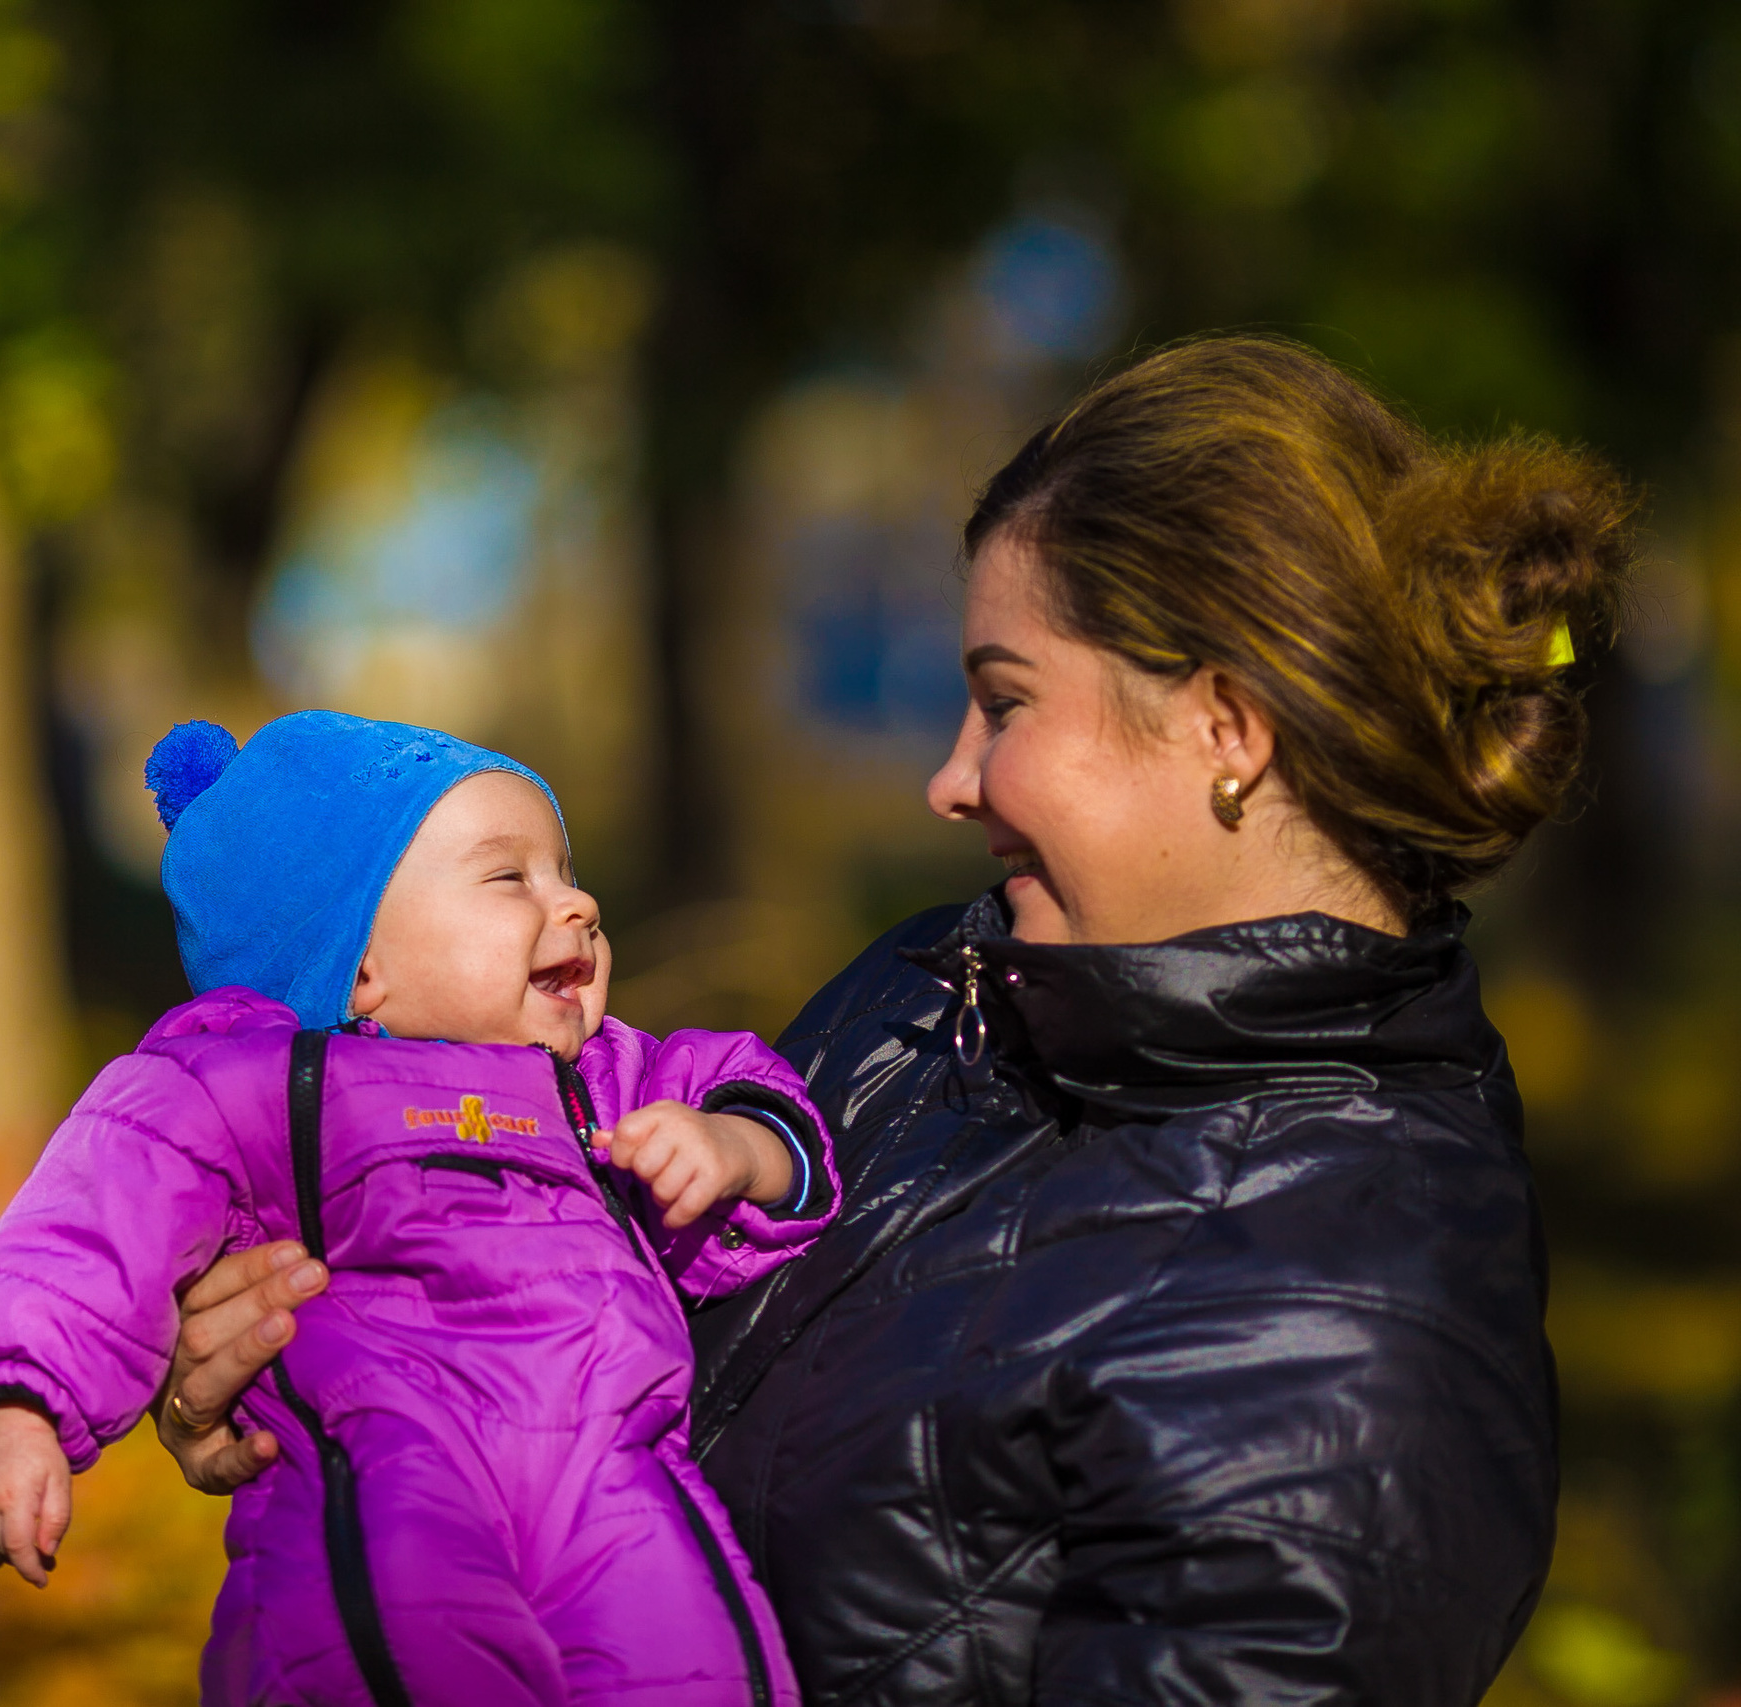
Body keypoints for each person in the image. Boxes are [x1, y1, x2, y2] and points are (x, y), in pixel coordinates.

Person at [153, 337, 1629, 1704]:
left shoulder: (1349, 1344)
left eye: (1006, 700)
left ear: (1227, 729)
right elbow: (590, 1309)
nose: (950, 775)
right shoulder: (936, 993)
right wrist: (331, 1359)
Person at [0, 710, 838, 1706]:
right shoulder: (258, 1082)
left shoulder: (612, 1080)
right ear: (356, 961)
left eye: (567, 870)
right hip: (385, 1487)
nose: (574, 902)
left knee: (697, 1669)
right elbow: (98, 1219)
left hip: (616, 1473)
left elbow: (758, 1101)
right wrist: (21, 1414)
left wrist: (734, 1151)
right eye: (510, 878)